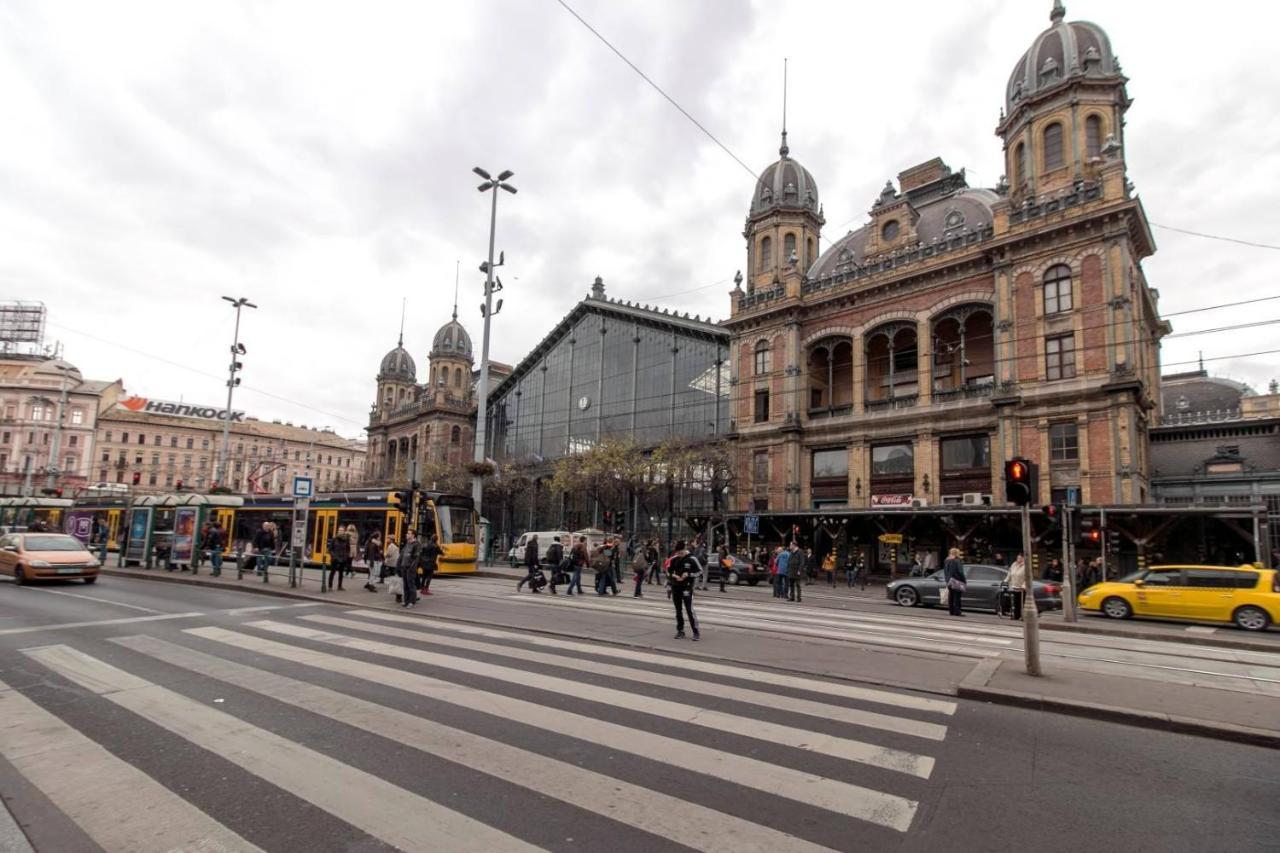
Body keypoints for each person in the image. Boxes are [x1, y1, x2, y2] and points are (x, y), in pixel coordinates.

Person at [667, 540, 700, 641]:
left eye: (680, 552)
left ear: (685, 549)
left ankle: (696, 632)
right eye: (677, 552)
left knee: (689, 610)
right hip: (676, 587)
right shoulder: (674, 559)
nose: (679, 554)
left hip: (687, 587)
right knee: (678, 610)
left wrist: (689, 575)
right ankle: (680, 631)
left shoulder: (692, 559)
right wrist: (673, 576)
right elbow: (668, 572)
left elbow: (700, 571)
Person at [398, 530, 421, 607]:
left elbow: (416, 558)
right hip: (404, 566)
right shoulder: (407, 544)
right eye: (407, 533)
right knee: (405, 585)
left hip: (410, 568)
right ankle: (406, 600)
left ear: (413, 535)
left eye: (409, 533)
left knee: (411, 584)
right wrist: (398, 565)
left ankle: (412, 602)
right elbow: (401, 555)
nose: (406, 534)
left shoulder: (417, 544)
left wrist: (412, 567)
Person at [943, 547, 967, 617]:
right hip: (957, 580)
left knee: (951, 596)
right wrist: (964, 580)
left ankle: (951, 611)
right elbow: (960, 571)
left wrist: (947, 580)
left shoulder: (946, 560)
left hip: (949, 581)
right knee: (957, 597)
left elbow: (945, 571)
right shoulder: (957, 560)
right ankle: (957, 612)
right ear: (957, 553)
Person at [1005, 552, 1028, 620]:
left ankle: (1022, 616)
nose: (1018, 559)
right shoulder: (1014, 564)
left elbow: (1027, 578)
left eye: (1020, 558)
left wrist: (1024, 586)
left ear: (1023, 558)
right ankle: (1016, 615)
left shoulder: (1026, 566)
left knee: (1021, 603)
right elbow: (1009, 574)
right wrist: (1005, 581)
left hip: (1022, 588)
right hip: (1014, 587)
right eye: (1018, 558)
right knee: (1015, 603)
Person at [327, 524, 349, 591]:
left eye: (341, 530)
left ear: (344, 531)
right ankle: (330, 586)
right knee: (332, 572)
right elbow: (330, 549)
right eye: (339, 530)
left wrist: (346, 555)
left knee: (341, 573)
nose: (340, 531)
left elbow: (348, 549)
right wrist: (333, 556)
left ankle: (339, 586)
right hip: (335, 559)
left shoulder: (346, 539)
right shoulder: (334, 539)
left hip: (343, 558)